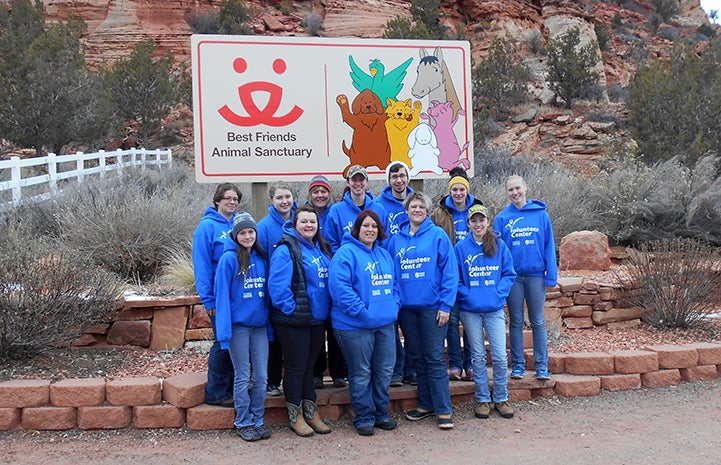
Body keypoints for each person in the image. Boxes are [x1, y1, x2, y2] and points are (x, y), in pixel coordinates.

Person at [388, 191, 459, 430]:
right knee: (417, 357)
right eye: (413, 207)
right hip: (407, 310)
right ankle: (426, 403)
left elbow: (450, 272)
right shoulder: (395, 240)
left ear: (427, 212)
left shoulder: (437, 236)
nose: (417, 210)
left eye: (421, 207)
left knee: (435, 358)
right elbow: (391, 275)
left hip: (433, 309)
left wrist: (446, 305)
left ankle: (443, 408)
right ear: (406, 210)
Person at [329, 210, 401, 436]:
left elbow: (395, 285)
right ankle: (364, 416)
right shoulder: (345, 254)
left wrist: (394, 306)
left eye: (374, 226)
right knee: (361, 372)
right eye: (365, 226)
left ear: (379, 230)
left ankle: (381, 413)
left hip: (385, 323)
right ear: (357, 229)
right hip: (354, 326)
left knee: (384, 370)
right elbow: (341, 290)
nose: (370, 230)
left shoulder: (384, 255)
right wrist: (363, 313)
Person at [268, 204, 333, 437]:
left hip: (316, 320)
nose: (309, 225)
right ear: (295, 224)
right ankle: (295, 415)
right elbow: (277, 286)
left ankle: (311, 411)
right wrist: (292, 309)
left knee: (308, 367)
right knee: (296, 368)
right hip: (294, 320)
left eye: (312, 222)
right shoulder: (286, 249)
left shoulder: (319, 248)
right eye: (304, 221)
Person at [213, 211, 271, 442]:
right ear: (236, 235)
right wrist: (224, 333)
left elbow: (266, 296)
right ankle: (243, 421)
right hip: (238, 327)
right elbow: (222, 299)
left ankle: (258, 419)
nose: (247, 236)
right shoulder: (228, 260)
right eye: (243, 232)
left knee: (262, 377)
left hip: (259, 327)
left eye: (251, 232)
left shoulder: (261, 258)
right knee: (242, 375)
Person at [493, 175, 558, 381]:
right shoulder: (502, 218)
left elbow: (549, 246)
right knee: (516, 321)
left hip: (536, 276)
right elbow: (497, 252)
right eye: (510, 190)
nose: (515, 193)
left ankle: (541, 366)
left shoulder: (541, 215)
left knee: (537, 320)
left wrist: (551, 277)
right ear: (507, 192)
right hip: (513, 278)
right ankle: (518, 365)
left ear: (525, 187)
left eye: (518, 188)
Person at [455, 205, 517, 420]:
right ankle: (482, 399)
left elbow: (509, 273)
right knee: (478, 356)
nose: (478, 224)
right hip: (470, 311)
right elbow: (456, 279)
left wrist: (498, 294)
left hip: (494, 310)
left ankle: (501, 397)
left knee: (499, 356)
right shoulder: (461, 248)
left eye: (482, 220)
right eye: (474, 221)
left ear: (488, 222)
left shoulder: (499, 245)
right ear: (469, 223)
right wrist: (469, 295)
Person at [430, 166, 483, 382]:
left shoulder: (478, 209)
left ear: (467, 190)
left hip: (474, 273)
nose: (458, 193)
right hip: (449, 275)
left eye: (462, 189)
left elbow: (487, 236)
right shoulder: (439, 213)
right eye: (455, 190)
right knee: (451, 321)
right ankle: (455, 364)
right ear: (450, 191)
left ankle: (471, 363)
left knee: (471, 320)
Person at [192, 183, 242, 408]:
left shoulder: (239, 224)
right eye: (227, 198)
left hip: (239, 296)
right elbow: (201, 265)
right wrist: (208, 299)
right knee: (222, 341)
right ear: (217, 201)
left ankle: (232, 387)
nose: (231, 202)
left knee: (236, 341)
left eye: (235, 199)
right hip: (218, 297)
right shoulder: (207, 228)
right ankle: (216, 392)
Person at [374, 161, 415, 387]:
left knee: (411, 327)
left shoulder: (416, 201)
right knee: (391, 325)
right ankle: (396, 370)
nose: (399, 180)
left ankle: (411, 369)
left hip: (413, 270)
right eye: (394, 176)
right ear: (388, 180)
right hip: (388, 269)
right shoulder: (379, 205)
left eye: (402, 175)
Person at [257, 181, 298, 397]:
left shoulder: (300, 220)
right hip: (275, 291)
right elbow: (261, 261)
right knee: (273, 337)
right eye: (280, 198)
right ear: (272, 200)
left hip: (299, 290)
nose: (284, 201)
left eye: (287, 197)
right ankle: (272, 381)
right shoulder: (264, 227)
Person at [306, 175, 347, 390]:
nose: (319, 195)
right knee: (316, 331)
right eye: (315, 191)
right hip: (313, 280)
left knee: (336, 326)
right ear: (310, 195)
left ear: (329, 194)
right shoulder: (303, 215)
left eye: (323, 191)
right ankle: (317, 374)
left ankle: (340, 373)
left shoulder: (337, 212)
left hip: (335, 273)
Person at [325, 164, 388, 254]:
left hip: (373, 263)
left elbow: (384, 240)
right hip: (347, 263)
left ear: (367, 182)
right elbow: (331, 242)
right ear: (348, 182)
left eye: (361, 180)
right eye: (354, 180)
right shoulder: (336, 210)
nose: (358, 183)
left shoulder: (379, 209)